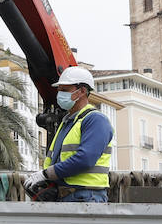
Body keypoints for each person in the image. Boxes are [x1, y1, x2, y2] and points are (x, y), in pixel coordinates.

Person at [24, 67, 114, 203]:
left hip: (87, 196)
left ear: (82, 91)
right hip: (67, 196)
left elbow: (85, 159)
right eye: (59, 90)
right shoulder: (68, 121)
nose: (59, 94)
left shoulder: (95, 120)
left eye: (64, 90)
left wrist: (45, 174)